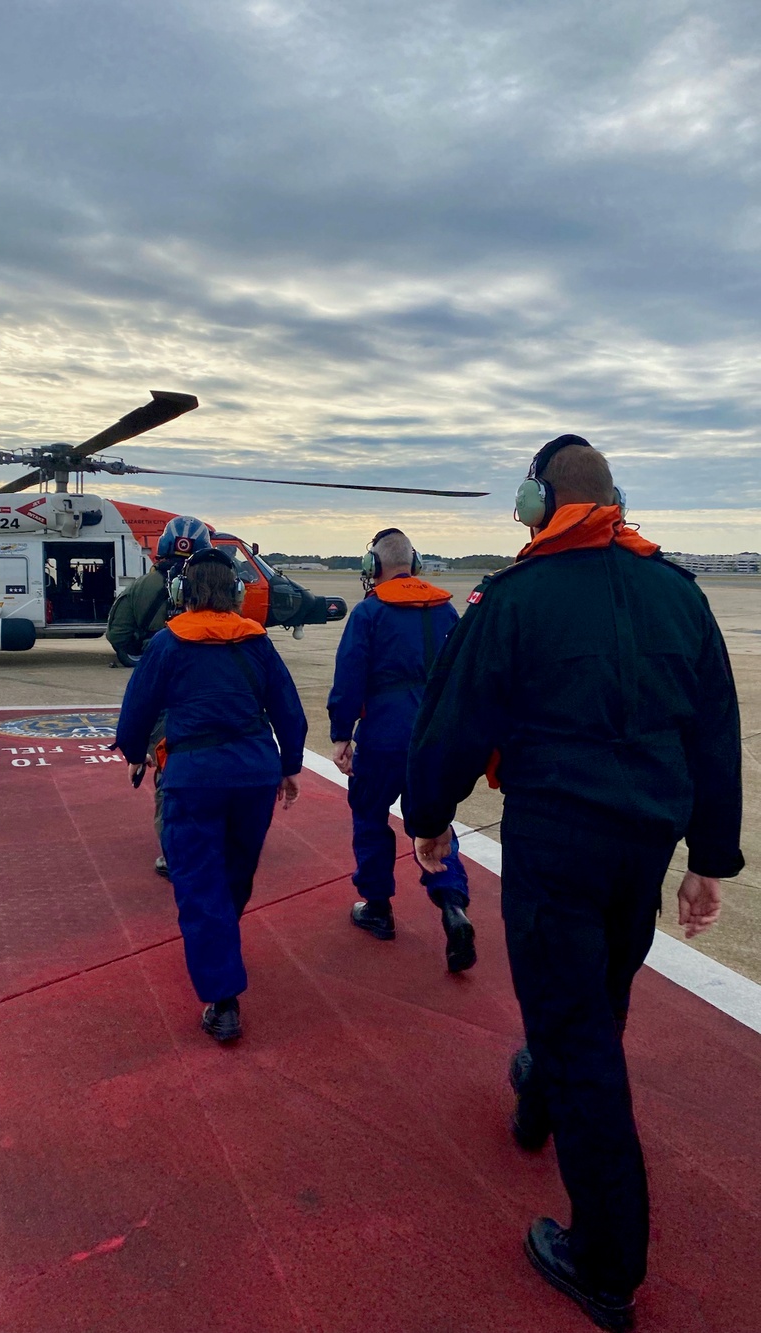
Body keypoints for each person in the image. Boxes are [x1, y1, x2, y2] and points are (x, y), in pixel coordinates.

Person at [405, 436, 743, 1331]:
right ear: (616, 500)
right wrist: (710, 856)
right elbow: (715, 731)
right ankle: (536, 1093)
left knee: (581, 1034)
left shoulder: (516, 598)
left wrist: (429, 818)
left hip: (558, 840)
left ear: (534, 503)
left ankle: (606, 1262)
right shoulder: (680, 593)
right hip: (646, 845)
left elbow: (455, 715)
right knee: (592, 1001)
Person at [115, 545, 308, 1043]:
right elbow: (290, 712)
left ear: (180, 593)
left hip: (193, 778)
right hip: (253, 775)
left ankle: (223, 1001)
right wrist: (289, 767)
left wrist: (135, 753)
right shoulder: (258, 643)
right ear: (238, 594)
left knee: (200, 887)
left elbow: (135, 712)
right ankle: (221, 945)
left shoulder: (167, 644)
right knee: (234, 877)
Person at [327, 528, 475, 970]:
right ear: (416, 564)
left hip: (385, 736)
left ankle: (377, 908)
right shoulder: (446, 610)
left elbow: (350, 675)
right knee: (433, 821)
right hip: (432, 737)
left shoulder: (370, 612)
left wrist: (341, 732)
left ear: (372, 568)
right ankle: (452, 905)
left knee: (369, 817)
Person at [107, 515, 213, 877]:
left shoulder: (140, 588)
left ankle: (174, 851)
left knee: (169, 772)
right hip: (209, 698)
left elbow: (118, 635)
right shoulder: (216, 590)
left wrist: (148, 649)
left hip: (163, 705)